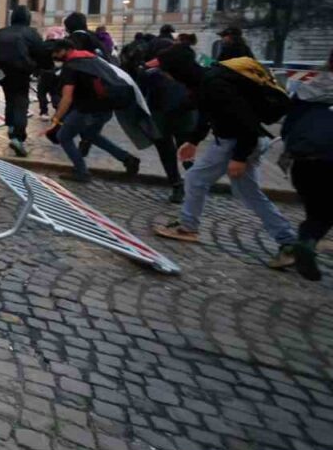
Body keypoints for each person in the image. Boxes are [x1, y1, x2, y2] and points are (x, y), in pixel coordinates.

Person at [154, 54, 296, 261]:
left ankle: (188, 226)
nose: (167, 78)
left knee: (196, 179)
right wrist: (193, 141)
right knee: (247, 192)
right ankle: (287, 239)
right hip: (236, 141)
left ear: (177, 72)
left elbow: (245, 121)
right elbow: (207, 114)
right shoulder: (206, 81)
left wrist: (240, 157)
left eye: (167, 73)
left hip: (236, 142)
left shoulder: (214, 85)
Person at [44, 38, 142, 183]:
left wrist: (56, 118)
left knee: (63, 136)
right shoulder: (92, 58)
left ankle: (81, 172)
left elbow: (67, 98)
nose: (55, 56)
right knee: (91, 135)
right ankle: (127, 159)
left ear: (66, 50)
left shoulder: (71, 66)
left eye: (56, 52)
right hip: (106, 107)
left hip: (87, 109)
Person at [277, 48, 333, 281]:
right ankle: (307, 241)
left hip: (303, 159)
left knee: (316, 208)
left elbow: (287, 125)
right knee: (325, 213)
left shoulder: (309, 87)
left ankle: (306, 242)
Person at [141, 39, 202, 204]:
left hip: (163, 118)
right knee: (185, 152)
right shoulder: (190, 70)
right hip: (182, 117)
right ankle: (195, 184)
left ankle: (178, 185)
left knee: (168, 153)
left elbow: (142, 94)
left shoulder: (151, 72)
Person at [0, 5, 44, 157]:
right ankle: (17, 136)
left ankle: (11, 126)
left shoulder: (0, 33)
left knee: (10, 100)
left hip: (3, 73)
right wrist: (37, 69)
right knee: (21, 103)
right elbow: (40, 53)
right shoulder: (32, 33)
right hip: (22, 72)